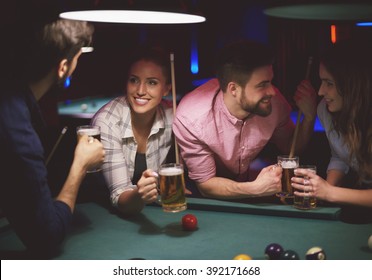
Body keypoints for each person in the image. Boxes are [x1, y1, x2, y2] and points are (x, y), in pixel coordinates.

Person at [0, 18, 105, 257]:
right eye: (78, 58)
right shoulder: (16, 131)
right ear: (62, 67)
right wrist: (80, 165)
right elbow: (46, 238)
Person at [173, 40, 317, 200]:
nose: (273, 92)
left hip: (253, 192)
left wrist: (309, 116)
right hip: (207, 200)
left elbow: (291, 147)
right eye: (262, 85)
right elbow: (206, 184)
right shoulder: (191, 118)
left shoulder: (273, 104)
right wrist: (255, 188)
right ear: (233, 89)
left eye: (270, 81)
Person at [91, 46, 174, 216]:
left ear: (166, 89)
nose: (140, 91)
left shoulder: (174, 116)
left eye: (152, 82)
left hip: (153, 207)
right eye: (134, 80)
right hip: (102, 214)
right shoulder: (106, 121)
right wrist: (139, 195)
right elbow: (120, 197)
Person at [291, 40, 372, 213]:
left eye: (329, 83)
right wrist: (321, 190)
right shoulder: (325, 110)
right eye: (321, 82)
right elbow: (340, 156)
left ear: (353, 85)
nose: (320, 91)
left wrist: (330, 193)